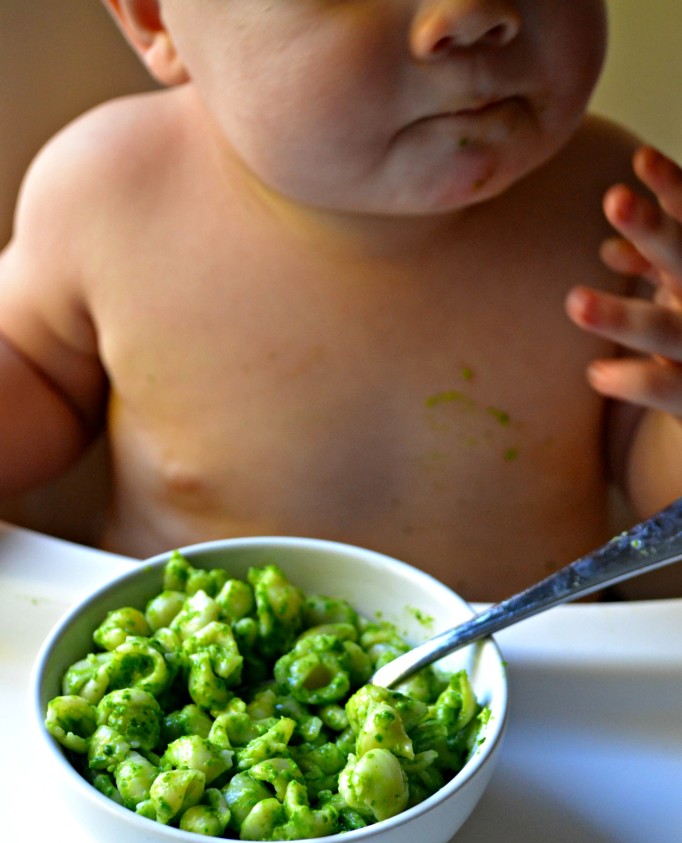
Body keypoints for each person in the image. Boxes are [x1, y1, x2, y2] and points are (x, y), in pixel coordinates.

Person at [0, 0, 680, 602]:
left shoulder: (617, 216)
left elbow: (663, 512)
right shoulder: (108, 194)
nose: (473, 13)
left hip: (533, 681)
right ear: (155, 16)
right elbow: (31, 371)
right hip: (181, 708)